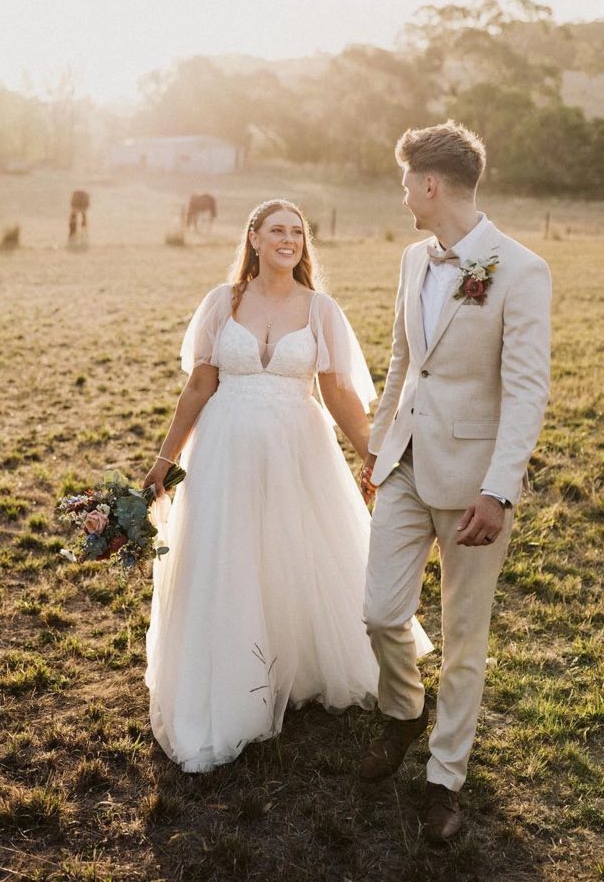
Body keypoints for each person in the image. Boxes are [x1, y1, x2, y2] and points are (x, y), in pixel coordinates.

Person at [143, 198, 432, 773]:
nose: (289, 239)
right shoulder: (220, 303)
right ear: (252, 238)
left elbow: (339, 394)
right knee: (233, 558)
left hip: (299, 451)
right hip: (225, 450)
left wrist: (373, 457)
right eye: (276, 229)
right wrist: (164, 458)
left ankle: (297, 668)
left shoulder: (320, 308)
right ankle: (238, 680)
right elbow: (200, 386)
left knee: (296, 555)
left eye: (297, 232)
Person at [358, 122, 551, 843]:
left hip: (474, 486)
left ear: (431, 185)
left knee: (463, 637)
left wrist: (499, 489)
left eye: (407, 181)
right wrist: (379, 453)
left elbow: (528, 392)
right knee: (380, 611)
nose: (403, 193)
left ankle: (445, 780)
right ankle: (404, 712)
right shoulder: (414, 259)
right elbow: (401, 362)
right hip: (405, 466)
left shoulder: (522, 271)